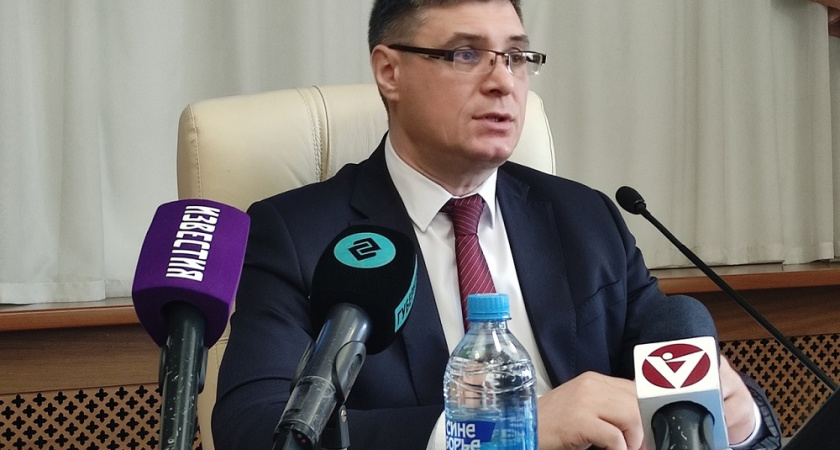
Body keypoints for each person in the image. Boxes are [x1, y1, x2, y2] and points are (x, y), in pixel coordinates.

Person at [212, 1, 782, 449]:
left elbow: (675, 347)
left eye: (516, 56)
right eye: (466, 54)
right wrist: (505, 433)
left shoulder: (586, 217)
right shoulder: (298, 236)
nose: (502, 81)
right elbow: (253, 428)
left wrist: (738, 420)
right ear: (390, 71)